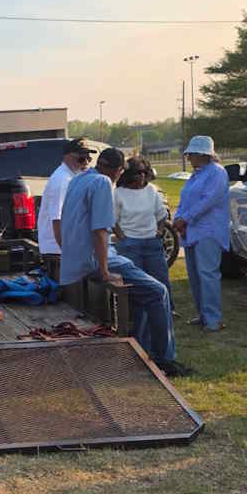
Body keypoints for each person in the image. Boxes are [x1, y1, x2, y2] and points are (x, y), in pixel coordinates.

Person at [60, 146, 191, 377]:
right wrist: (104, 271)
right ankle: (164, 360)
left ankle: (141, 350)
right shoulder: (102, 183)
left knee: (143, 294)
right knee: (159, 291)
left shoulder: (78, 179)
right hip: (95, 260)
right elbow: (100, 230)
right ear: (119, 171)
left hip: (75, 259)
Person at [174, 135, 230, 332]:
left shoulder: (217, 173)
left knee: (208, 274)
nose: (188, 158)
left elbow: (207, 201)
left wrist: (185, 219)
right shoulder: (196, 175)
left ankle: (213, 319)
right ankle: (203, 314)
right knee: (195, 275)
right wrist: (178, 219)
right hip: (192, 232)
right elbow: (185, 200)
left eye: (191, 154)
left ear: (203, 155)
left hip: (209, 231)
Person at [113, 155, 173, 309]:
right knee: (135, 283)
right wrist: (122, 236)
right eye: (137, 172)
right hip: (130, 245)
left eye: (144, 172)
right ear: (128, 175)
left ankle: (166, 310)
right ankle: (137, 314)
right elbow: (112, 219)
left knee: (161, 279)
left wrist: (159, 231)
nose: (141, 176)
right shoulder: (118, 193)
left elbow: (161, 215)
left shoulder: (151, 190)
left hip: (152, 243)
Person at [37, 138, 96, 280]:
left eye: (89, 156)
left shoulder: (72, 176)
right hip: (58, 248)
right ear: (68, 157)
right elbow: (57, 220)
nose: (87, 159)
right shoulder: (62, 180)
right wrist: (69, 253)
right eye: (82, 156)